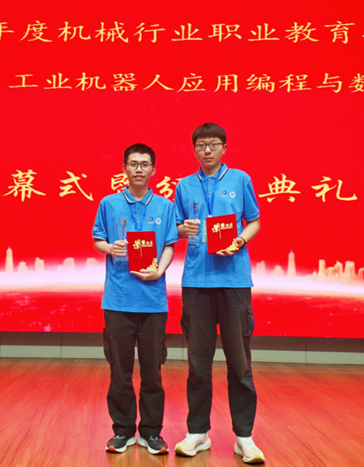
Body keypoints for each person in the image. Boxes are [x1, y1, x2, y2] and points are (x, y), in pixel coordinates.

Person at [173, 123, 265, 464]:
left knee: (239, 363)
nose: (207, 150)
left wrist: (239, 240)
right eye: (201, 145)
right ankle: (197, 432)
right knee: (198, 364)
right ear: (194, 149)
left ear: (224, 147)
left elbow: (254, 221)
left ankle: (244, 437)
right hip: (196, 283)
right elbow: (176, 227)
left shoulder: (240, 179)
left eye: (213, 144)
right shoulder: (184, 185)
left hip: (234, 282)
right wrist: (184, 228)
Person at [92, 143, 178, 456]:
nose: (138, 169)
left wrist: (160, 271)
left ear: (153, 170)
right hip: (117, 301)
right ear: (124, 169)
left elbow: (169, 246)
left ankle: (151, 433)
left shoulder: (166, 206)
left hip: (153, 302)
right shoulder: (109, 203)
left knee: (153, 373)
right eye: (133, 164)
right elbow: (98, 239)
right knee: (120, 372)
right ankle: (123, 430)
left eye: (144, 164)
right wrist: (109, 248)